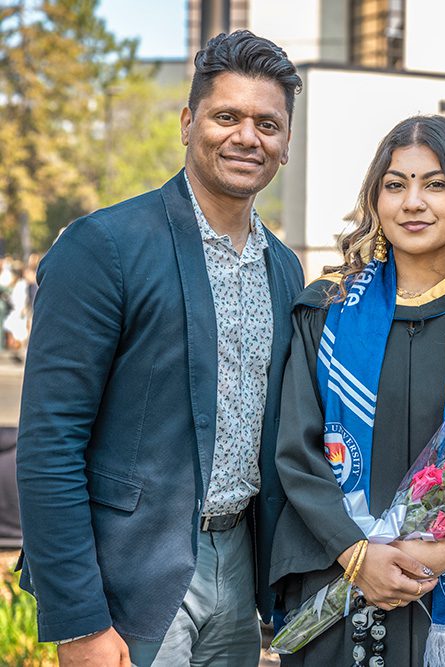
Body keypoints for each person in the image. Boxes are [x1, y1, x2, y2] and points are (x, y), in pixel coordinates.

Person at [15, 31, 304, 666]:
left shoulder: (285, 270)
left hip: (241, 565)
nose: (247, 136)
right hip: (131, 577)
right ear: (187, 122)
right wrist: (81, 620)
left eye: (268, 124)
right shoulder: (104, 246)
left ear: (285, 145)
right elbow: (49, 442)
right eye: (226, 116)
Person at [269, 115, 445, 666]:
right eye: (395, 185)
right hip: (339, 584)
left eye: (435, 184)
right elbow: (295, 451)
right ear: (375, 200)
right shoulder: (326, 311)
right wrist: (355, 555)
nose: (413, 202)